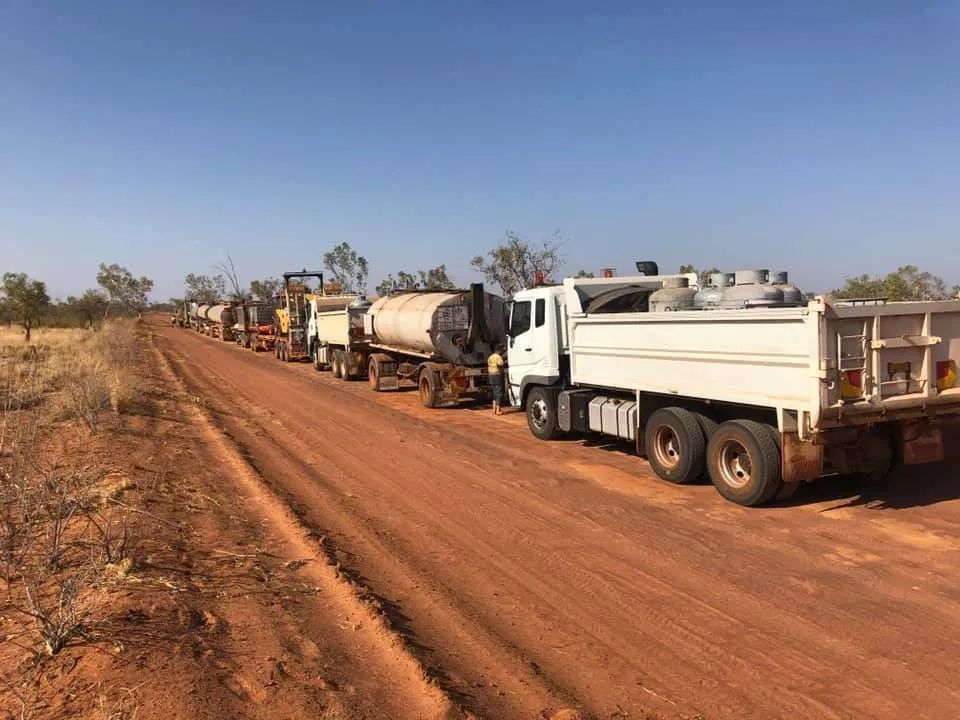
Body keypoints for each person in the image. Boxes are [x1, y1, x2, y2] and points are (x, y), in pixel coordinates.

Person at [488, 344, 506, 415]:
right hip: (498, 375)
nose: (503, 352)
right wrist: (504, 362)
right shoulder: (498, 357)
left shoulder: (490, 357)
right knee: (499, 392)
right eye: (502, 350)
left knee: (494, 392)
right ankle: (498, 410)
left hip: (491, 376)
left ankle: (494, 409)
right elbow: (500, 364)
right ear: (499, 350)